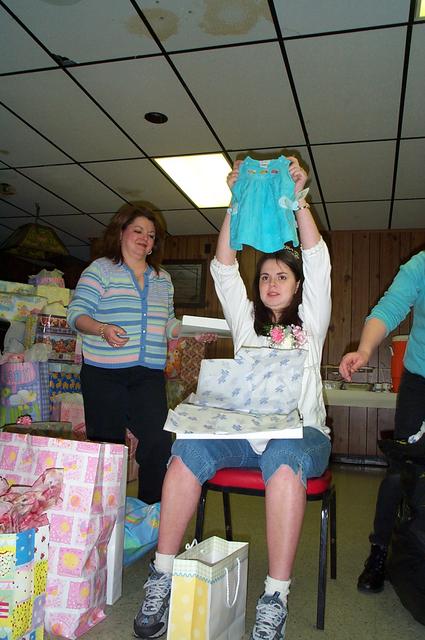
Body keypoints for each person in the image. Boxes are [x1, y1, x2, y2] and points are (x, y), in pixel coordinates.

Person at [133, 157, 332, 640]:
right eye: (265, 278)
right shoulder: (246, 329)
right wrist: (234, 202)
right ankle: (162, 573)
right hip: (243, 434)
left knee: (284, 457)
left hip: (301, 434)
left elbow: (318, 260)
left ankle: (275, 597)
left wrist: (299, 199)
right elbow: (223, 270)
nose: (271, 284)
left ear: (297, 286)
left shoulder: (311, 324)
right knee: (187, 449)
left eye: (281, 277)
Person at [67, 203, 214, 505]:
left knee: (158, 443)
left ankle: (151, 515)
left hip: (147, 376)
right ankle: (104, 518)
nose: (145, 238)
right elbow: (76, 315)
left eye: (151, 235)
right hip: (104, 374)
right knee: (108, 448)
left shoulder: (162, 278)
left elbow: (168, 323)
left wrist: (191, 332)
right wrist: (102, 329)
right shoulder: (100, 269)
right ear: (121, 232)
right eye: (138, 231)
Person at [339, 250, 425, 594]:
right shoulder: (420, 265)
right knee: (402, 471)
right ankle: (379, 552)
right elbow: (388, 309)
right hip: (420, 381)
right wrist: (364, 350)